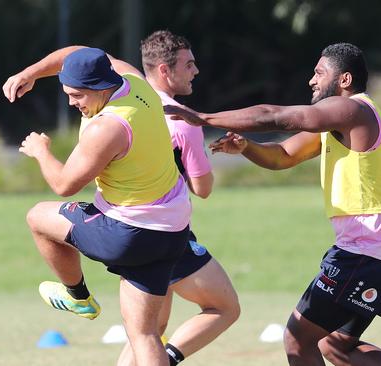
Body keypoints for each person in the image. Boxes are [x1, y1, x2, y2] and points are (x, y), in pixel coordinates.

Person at [167, 42, 381, 366]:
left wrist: (203, 117)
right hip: (380, 250)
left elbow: (280, 116)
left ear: (344, 80)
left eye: (319, 73)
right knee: (335, 345)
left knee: (298, 338)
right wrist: (246, 147)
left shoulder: (354, 110)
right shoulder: (338, 125)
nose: (312, 80)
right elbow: (283, 156)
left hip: (367, 251)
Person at [2, 46, 192, 366]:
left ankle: (78, 297)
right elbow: (80, 52)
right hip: (172, 231)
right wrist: (30, 72)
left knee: (37, 217)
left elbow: (64, 185)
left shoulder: (109, 126)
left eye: (77, 95)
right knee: (144, 335)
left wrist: (40, 151)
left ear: (101, 88)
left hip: (128, 233)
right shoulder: (135, 80)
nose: (72, 103)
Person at [117, 30, 240, 366]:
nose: (196, 71)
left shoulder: (124, 103)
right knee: (225, 307)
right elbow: (203, 188)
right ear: (164, 71)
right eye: (189, 64)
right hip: (164, 231)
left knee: (149, 329)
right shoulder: (183, 120)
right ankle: (167, 360)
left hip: (123, 226)